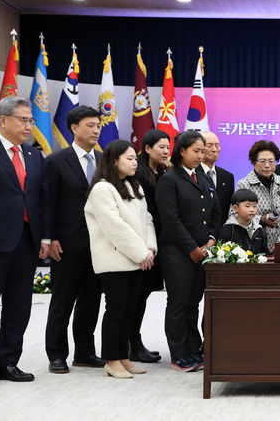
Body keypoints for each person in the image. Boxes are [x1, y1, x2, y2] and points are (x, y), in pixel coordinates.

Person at [0, 97, 52, 388]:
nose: (29, 125)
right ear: (3, 120)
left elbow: (42, 200)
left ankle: (8, 361)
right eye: (24, 120)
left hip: (27, 241)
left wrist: (44, 236)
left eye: (31, 120)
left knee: (19, 307)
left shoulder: (33, 156)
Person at [84, 140, 157, 379]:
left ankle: (124, 356)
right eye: (129, 158)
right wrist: (141, 253)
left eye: (135, 159)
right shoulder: (102, 189)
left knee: (129, 310)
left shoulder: (134, 186)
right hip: (114, 260)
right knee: (116, 310)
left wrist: (149, 249)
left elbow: (147, 220)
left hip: (137, 259)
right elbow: (114, 227)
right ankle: (111, 360)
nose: (135, 162)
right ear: (114, 160)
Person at [43, 106, 105, 374]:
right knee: (62, 301)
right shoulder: (56, 160)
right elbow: (47, 204)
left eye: (98, 126)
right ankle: (57, 354)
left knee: (91, 301)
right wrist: (51, 237)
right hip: (67, 243)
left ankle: (85, 352)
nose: (95, 130)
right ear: (74, 129)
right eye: (90, 125)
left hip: (99, 243)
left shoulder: (105, 159)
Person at [157, 130, 222, 372]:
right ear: (182, 151)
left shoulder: (203, 178)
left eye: (202, 151)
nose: (201, 155)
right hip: (178, 253)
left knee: (193, 302)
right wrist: (192, 248)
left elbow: (215, 212)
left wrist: (212, 240)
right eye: (196, 151)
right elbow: (171, 220)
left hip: (203, 252)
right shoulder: (169, 180)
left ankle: (193, 349)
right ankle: (178, 353)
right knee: (178, 302)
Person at [130, 128, 170, 363]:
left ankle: (135, 343)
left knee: (143, 295)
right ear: (147, 149)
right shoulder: (140, 174)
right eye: (161, 147)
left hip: (157, 242)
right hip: (143, 242)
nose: (166, 151)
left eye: (168, 147)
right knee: (135, 296)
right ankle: (131, 344)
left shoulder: (162, 171)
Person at [236, 140, 280, 252]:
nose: (267, 166)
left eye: (271, 161)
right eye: (262, 161)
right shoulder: (244, 184)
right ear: (254, 162)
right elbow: (234, 215)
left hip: (279, 248)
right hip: (252, 246)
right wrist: (262, 219)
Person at [200, 131, 235, 224]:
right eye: (209, 145)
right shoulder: (193, 174)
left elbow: (229, 208)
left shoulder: (227, 176)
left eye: (217, 145)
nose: (214, 149)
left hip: (221, 232)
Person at [219, 189, 268, 254]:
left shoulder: (260, 230)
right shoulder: (228, 229)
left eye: (254, 206)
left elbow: (265, 254)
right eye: (247, 206)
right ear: (235, 208)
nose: (252, 210)